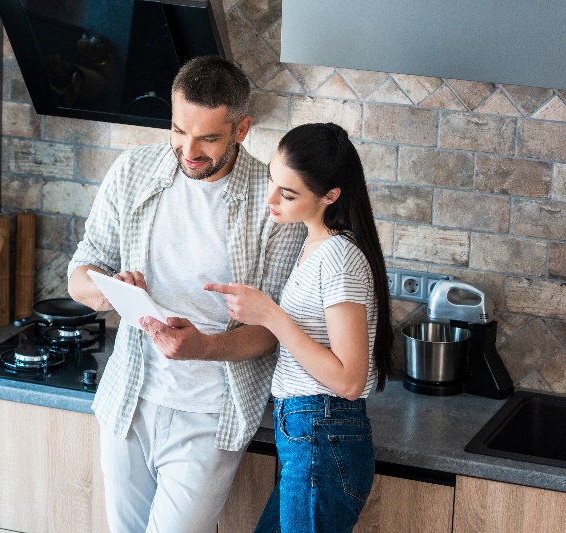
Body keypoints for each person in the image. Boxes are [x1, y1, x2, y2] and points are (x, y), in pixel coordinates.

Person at [67, 55, 304, 533]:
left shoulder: (273, 199)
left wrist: (208, 347)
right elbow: (79, 275)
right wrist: (111, 290)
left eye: (208, 138)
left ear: (241, 130)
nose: (188, 149)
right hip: (129, 400)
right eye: (178, 130)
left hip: (211, 413)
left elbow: (276, 329)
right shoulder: (134, 169)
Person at [202, 122, 393, 532]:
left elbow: (348, 380)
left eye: (288, 194)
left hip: (323, 432)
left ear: (330, 196)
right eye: (272, 179)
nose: (271, 198)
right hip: (310, 432)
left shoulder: (339, 258)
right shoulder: (314, 245)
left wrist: (270, 315)